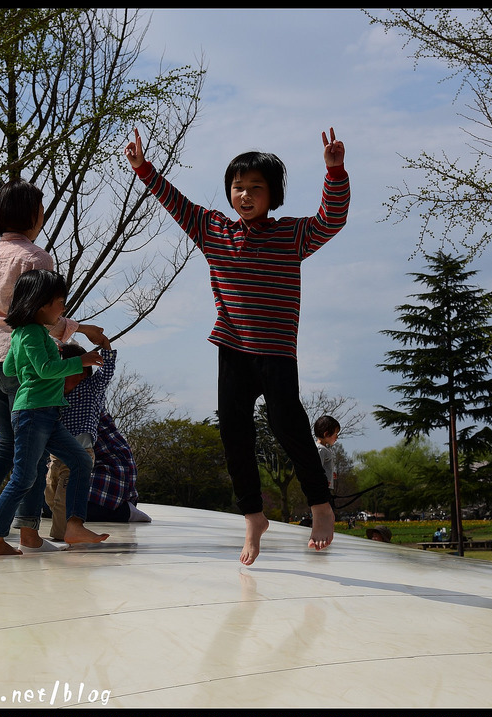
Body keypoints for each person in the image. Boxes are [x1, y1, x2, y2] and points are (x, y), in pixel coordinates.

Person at [125, 126, 349, 565]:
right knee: (234, 435)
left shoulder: (291, 236)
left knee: (289, 429)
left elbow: (332, 220)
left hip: (277, 352)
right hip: (232, 349)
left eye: (255, 188)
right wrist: (144, 169)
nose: (245, 196)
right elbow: (176, 204)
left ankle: (321, 508)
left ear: (273, 194)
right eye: (238, 187)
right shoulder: (213, 230)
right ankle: (253, 517)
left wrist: (335, 172)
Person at [0, 177, 105, 543]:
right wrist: (83, 330)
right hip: (20, 359)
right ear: (34, 214)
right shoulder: (36, 257)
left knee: (9, 442)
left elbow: (6, 311)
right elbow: (35, 314)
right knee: (30, 452)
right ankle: (27, 529)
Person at [0, 269, 109, 556]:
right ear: (40, 303)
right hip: (32, 414)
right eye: (60, 301)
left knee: (80, 461)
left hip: (45, 414)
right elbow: (45, 370)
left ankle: (74, 526)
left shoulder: (25, 334)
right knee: (23, 479)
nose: (64, 308)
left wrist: (33, 370)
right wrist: (82, 361)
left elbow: (9, 369)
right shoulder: (31, 333)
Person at [44, 339, 114, 541]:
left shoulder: (91, 388)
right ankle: (65, 525)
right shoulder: (54, 392)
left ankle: (61, 535)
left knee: (63, 500)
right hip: (56, 457)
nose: (62, 378)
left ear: (83, 371)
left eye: (67, 372)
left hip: (81, 453)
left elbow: (107, 371)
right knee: (51, 495)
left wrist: (105, 346)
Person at [86, 409, 150, 524]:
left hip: (109, 482)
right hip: (110, 479)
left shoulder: (81, 407)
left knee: (56, 508)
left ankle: (124, 512)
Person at [314, 415, 341, 493]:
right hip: (321, 490)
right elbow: (317, 470)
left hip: (324, 488)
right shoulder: (321, 449)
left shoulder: (324, 449)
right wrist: (323, 481)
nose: (337, 437)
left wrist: (331, 474)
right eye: (335, 434)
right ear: (326, 434)